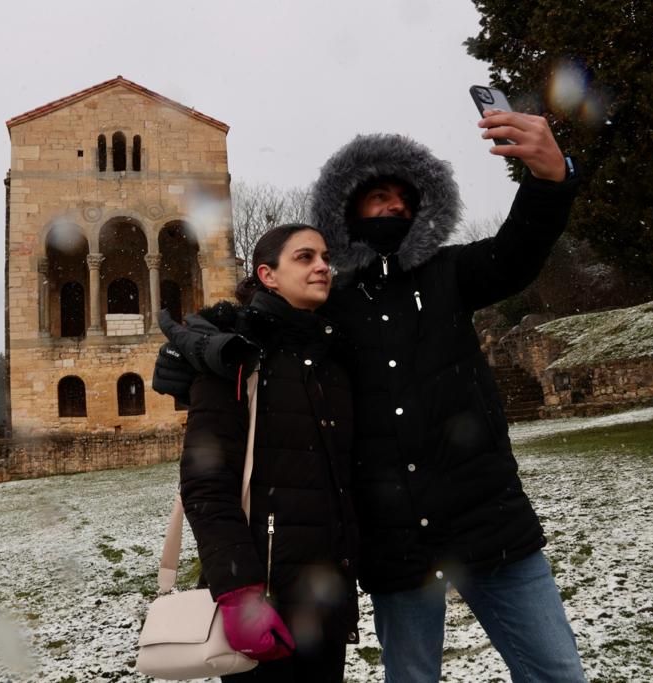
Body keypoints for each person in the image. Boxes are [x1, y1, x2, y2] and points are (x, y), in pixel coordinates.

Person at [155, 109, 586, 682]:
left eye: (403, 198)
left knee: (557, 673)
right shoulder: (331, 302)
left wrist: (549, 180)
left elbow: (520, 248)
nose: (392, 206)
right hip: (394, 543)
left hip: (488, 522)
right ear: (349, 209)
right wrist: (198, 344)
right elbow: (263, 318)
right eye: (376, 196)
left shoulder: (450, 274)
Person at [177, 224, 358, 682]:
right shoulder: (235, 354)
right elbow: (205, 481)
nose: (322, 265)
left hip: (327, 597)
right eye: (304, 257)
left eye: (324, 256)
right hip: (264, 597)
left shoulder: (333, 358)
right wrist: (238, 591)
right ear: (268, 275)